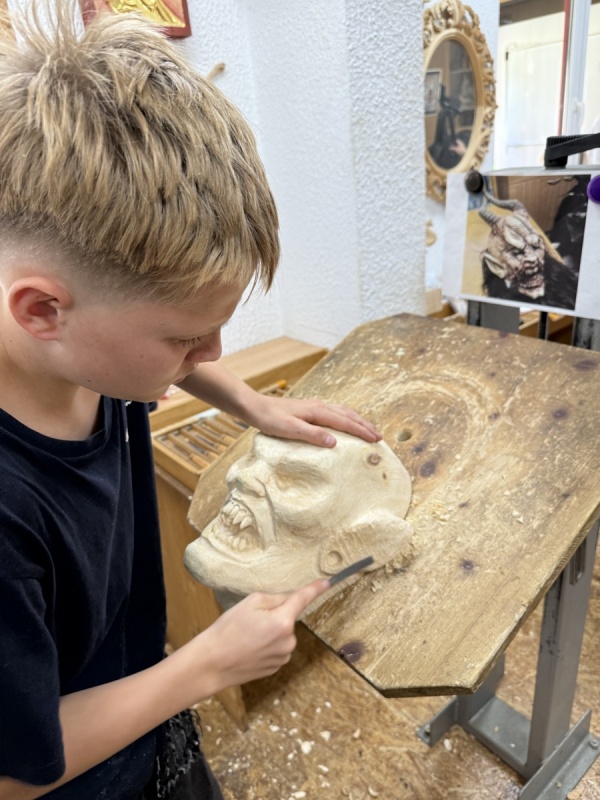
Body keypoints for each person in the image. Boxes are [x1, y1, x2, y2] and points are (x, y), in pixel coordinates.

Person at [0, 4, 381, 799]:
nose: (208, 355)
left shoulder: (72, 345)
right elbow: (15, 774)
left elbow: (159, 356)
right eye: (184, 339)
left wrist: (247, 401)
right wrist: (205, 665)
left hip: (146, 716)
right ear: (42, 311)